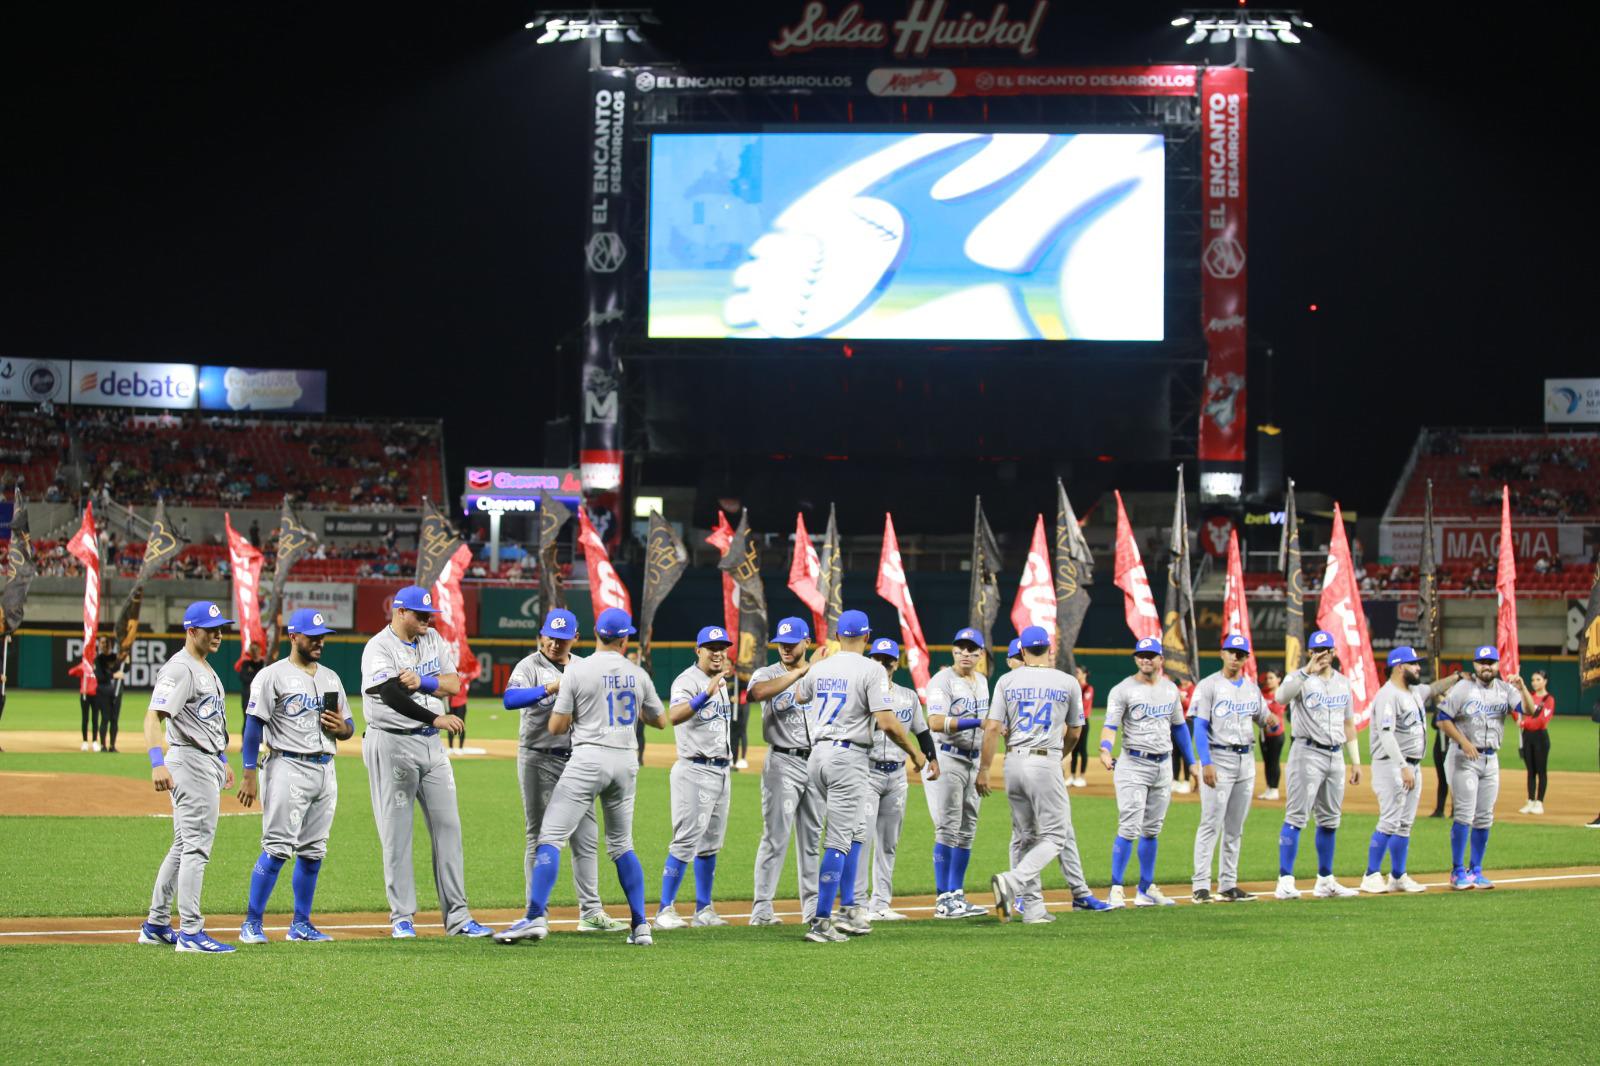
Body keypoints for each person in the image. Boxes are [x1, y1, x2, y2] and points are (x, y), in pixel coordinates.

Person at [494, 607, 664, 947]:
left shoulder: (581, 669)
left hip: (581, 762)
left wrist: (575, 708)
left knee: (559, 838)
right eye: (550, 637)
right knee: (617, 844)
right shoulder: (632, 672)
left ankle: (554, 915)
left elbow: (558, 725)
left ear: (581, 637)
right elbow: (659, 720)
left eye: (562, 638)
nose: (555, 644)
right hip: (555, 760)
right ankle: (640, 925)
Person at [359, 585, 493, 938]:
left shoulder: (433, 639)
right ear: (400, 612)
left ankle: (459, 918)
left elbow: (452, 684)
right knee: (397, 833)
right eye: (420, 614)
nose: (427, 619)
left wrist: (422, 682)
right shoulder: (379, 647)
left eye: (429, 614)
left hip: (432, 748)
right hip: (392, 743)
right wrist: (433, 716)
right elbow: (388, 694)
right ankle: (402, 917)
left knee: (449, 828)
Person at [790, 609, 929, 943]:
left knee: (852, 832)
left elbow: (798, 696)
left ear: (838, 636)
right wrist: (914, 752)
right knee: (839, 839)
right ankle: (822, 921)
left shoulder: (821, 667)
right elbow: (887, 722)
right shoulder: (872, 669)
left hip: (818, 755)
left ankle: (851, 908)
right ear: (867, 638)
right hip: (848, 757)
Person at [234, 608, 353, 943]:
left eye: (322, 637)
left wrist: (343, 728)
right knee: (276, 848)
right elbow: (253, 725)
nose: (319, 642)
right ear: (293, 637)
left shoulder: (331, 677)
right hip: (286, 765)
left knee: (314, 851)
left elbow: (349, 725)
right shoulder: (272, 675)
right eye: (312, 636)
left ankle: (301, 924)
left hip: (325, 768)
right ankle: (251, 923)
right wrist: (247, 774)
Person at [983, 626, 1108, 922]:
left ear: (1023, 652)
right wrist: (1057, 756)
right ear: (1050, 651)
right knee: (1056, 835)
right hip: (1045, 759)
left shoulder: (1007, 680)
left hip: (1012, 762)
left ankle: (1034, 909)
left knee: (1027, 836)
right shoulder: (1067, 681)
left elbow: (991, 727)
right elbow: (1076, 732)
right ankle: (1012, 882)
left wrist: (985, 768)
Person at [137, 601, 237, 952]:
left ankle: (156, 924)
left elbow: (205, 721)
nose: (219, 635)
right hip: (189, 763)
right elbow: (153, 717)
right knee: (196, 847)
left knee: (183, 846)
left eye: (221, 628)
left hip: (204, 760)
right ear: (191, 631)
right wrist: (156, 762)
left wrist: (221, 757)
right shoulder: (180, 669)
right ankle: (191, 932)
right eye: (211, 629)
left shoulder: (204, 667)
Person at [1098, 636, 1197, 907]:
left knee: (1152, 829)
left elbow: (1179, 727)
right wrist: (1105, 748)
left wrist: (1191, 762)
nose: (1146, 659)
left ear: (1160, 660)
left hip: (1163, 764)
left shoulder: (1170, 690)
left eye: (1151, 655)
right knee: (1129, 827)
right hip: (1133, 764)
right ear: (1135, 659)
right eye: (1141, 655)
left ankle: (1145, 888)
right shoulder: (1123, 690)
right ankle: (1116, 887)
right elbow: (1111, 725)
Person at [654, 625, 737, 930]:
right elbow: (672, 716)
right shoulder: (687, 681)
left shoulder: (722, 682)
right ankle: (664, 910)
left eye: (722, 647)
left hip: (721, 770)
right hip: (694, 769)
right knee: (685, 840)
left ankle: (703, 909)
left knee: (711, 843)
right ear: (698, 650)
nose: (718, 653)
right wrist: (705, 694)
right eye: (711, 648)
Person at [1359, 647, 1459, 894]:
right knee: (1390, 821)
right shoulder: (1388, 695)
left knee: (1404, 824)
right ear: (1399, 666)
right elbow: (1386, 734)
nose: (1418, 668)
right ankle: (1370, 874)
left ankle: (1397, 876)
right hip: (1392, 765)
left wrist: (1457, 677)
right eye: (1413, 664)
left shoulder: (1413, 691)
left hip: (1411, 766)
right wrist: (1403, 766)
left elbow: (1434, 688)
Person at [1190, 635, 1280, 903]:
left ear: (1246, 658)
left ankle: (1228, 884)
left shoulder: (1252, 689)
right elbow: (1199, 726)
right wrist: (1205, 762)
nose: (1235, 657)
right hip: (1219, 758)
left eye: (1240, 653)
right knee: (1211, 823)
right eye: (1231, 652)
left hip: (1246, 761)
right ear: (1222, 654)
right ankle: (1200, 886)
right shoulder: (1209, 686)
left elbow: (1264, 719)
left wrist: (1272, 721)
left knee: (1235, 826)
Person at [1273, 631, 1362, 899]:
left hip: (1335, 756)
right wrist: (1305, 671)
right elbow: (1280, 697)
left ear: (1334, 653)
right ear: (1310, 653)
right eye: (1317, 650)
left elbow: (1348, 723)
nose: (1323, 655)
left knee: (1330, 819)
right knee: (1297, 816)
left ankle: (1325, 880)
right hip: (1307, 752)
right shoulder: (1300, 679)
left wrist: (1355, 760)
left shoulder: (1343, 683)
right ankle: (1285, 880)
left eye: (1327, 650)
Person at [748, 617, 824, 926]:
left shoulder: (822, 674)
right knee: (776, 836)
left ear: (807, 643)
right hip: (782, 763)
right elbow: (758, 693)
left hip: (816, 761)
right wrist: (801, 672)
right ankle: (762, 910)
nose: (786, 648)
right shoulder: (768, 673)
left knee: (812, 838)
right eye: (782, 643)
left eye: (792, 643)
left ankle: (812, 909)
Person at [1437, 645, 1531, 889]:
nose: (1486, 666)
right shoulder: (1462, 688)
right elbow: (1442, 719)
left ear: (1498, 664)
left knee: (1484, 817)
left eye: (1490, 662)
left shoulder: (1506, 689)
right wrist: (1464, 741)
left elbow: (1529, 711)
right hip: (1464, 758)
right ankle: (1457, 871)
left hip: (1491, 760)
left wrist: (1523, 689)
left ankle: (1476, 870)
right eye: (1482, 662)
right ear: (1475, 665)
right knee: (1464, 815)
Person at [858, 637, 937, 921]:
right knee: (863, 838)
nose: (881, 663)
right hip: (867, 772)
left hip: (896, 776)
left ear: (895, 663)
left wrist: (932, 758)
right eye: (876, 658)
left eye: (886, 660)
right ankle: (857, 903)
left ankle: (880, 903)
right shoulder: (862, 692)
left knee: (888, 842)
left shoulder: (908, 696)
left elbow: (922, 730)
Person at [924, 626, 991, 919]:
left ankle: (957, 895)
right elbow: (936, 722)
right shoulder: (942, 680)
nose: (966, 653)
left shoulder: (984, 681)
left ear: (980, 654)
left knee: (967, 830)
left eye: (971, 649)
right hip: (949, 758)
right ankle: (943, 899)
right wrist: (976, 722)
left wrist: (985, 767)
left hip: (974, 761)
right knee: (948, 827)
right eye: (960, 648)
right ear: (953, 651)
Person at [1517, 668, 1555, 814]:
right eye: (1533, 680)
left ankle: (1539, 802)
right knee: (1530, 771)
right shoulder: (1528, 697)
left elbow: (1541, 721)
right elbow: (1518, 712)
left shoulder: (1548, 700)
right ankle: (1530, 800)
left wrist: (1524, 723)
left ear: (1545, 681)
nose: (1535, 682)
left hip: (1540, 737)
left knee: (1541, 770)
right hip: (1527, 737)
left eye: (1538, 679)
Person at [1257, 668, 1286, 800]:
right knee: (1267, 761)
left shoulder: (1282, 694)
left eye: (1271, 678)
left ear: (1279, 679)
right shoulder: (1263, 693)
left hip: (1276, 734)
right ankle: (1268, 787)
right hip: (1263, 733)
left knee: (1274, 760)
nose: (1268, 681)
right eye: (1267, 678)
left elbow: (1276, 711)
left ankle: (1274, 788)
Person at [93, 637, 124, 752]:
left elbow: (124, 670)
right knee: (105, 718)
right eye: (102, 643)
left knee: (114, 719)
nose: (104, 645)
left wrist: (127, 661)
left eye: (106, 643)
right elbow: (100, 677)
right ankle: (103, 746)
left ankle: (112, 746)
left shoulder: (116, 658)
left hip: (116, 692)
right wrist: (113, 676)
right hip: (103, 692)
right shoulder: (99, 659)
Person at [1171, 679, 1197, 794]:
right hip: (1174, 721)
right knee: (1175, 752)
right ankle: (1175, 780)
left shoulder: (1193, 688)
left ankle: (1186, 781)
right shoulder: (1175, 686)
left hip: (1188, 721)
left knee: (1185, 751)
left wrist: (1183, 700)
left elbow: (1192, 705)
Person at [1068, 664, 1093, 788]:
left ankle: (1081, 777)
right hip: (1074, 721)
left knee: (1082, 749)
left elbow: (1084, 705)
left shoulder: (1088, 688)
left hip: (1083, 721)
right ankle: (1072, 776)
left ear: (1084, 674)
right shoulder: (1074, 687)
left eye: (1078, 672)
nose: (1076, 674)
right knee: (1074, 749)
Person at [237, 648, 264, 733]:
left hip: (261, 697)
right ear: (251, 653)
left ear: (260, 651)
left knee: (261, 720)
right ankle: (244, 744)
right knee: (247, 719)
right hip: (247, 696)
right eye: (253, 650)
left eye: (256, 650)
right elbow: (242, 677)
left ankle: (260, 744)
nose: (255, 652)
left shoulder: (263, 664)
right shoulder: (246, 663)